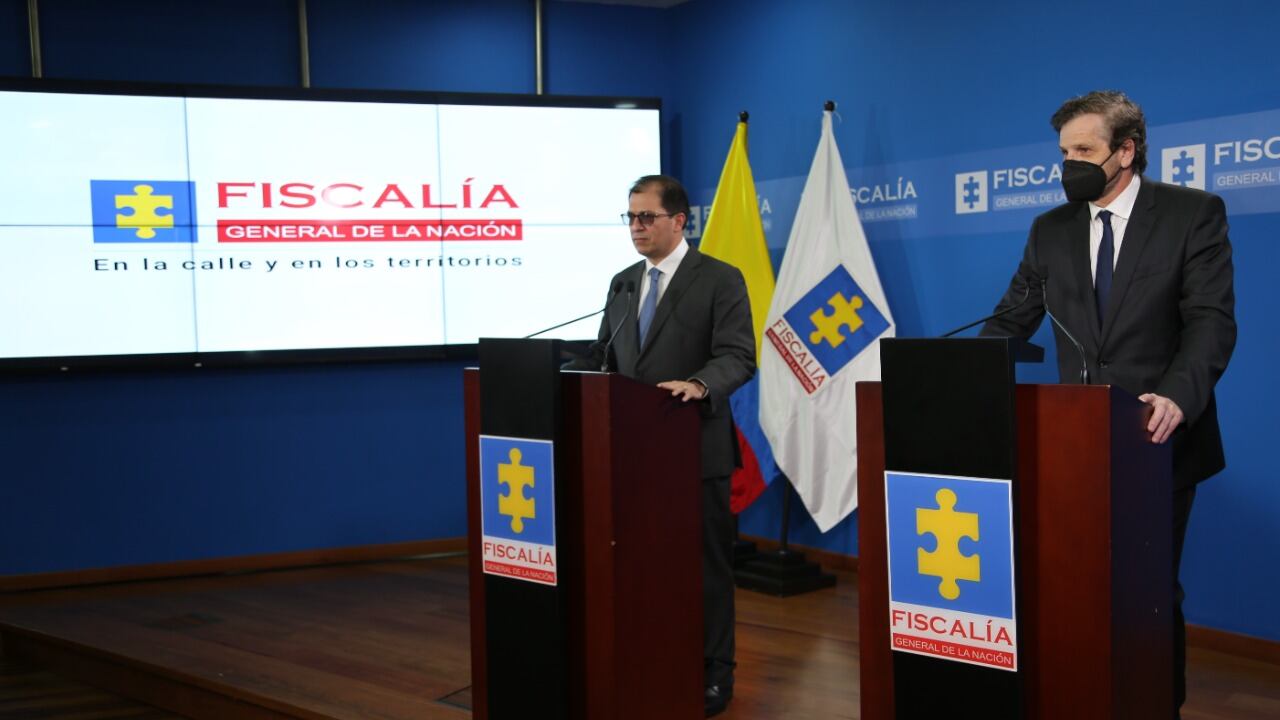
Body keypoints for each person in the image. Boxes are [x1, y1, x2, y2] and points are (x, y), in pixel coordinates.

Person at [981, 90, 1236, 718]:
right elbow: (1011, 322)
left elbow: (1210, 322)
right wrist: (955, 372)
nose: (1069, 164)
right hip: (1074, 447)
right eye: (1064, 152)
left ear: (1126, 151)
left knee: (1150, 593)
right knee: (1081, 590)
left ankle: (1156, 707)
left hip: (1158, 436)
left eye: (1084, 151)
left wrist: (1177, 396)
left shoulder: (1192, 214)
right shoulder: (1050, 229)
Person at [565, 174, 755, 717]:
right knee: (640, 568)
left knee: (706, 571)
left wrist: (698, 385)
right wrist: (557, 373)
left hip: (694, 451)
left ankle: (716, 674)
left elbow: (739, 356)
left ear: (679, 220)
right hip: (630, 456)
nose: (636, 227)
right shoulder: (624, 282)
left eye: (646, 217)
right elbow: (606, 356)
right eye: (630, 217)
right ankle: (653, 658)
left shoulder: (719, 278)